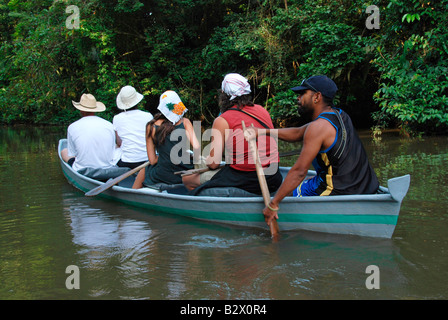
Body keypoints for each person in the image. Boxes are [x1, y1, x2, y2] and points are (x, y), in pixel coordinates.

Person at [245, 75, 380, 227]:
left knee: (285, 191)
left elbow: (299, 172)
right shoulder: (340, 115)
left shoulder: (317, 128)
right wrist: (263, 132)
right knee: (295, 187)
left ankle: (279, 217)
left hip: (338, 191)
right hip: (365, 186)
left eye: (303, 94)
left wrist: (272, 204)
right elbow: (298, 133)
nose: (298, 98)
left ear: (317, 97)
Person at [184, 73, 283, 196]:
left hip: (249, 179)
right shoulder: (262, 110)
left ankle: (205, 206)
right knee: (204, 163)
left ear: (224, 96)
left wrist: (210, 160)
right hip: (274, 176)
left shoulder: (222, 120)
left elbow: (214, 163)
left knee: (187, 179)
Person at [132, 90, 200, 188]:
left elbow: (152, 161)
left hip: (163, 174)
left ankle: (133, 193)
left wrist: (164, 155)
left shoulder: (151, 126)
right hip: (184, 173)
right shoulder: (185, 122)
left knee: (145, 169)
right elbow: (197, 148)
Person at [61, 93, 117, 173]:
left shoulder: (72, 127)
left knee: (64, 151)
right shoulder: (109, 125)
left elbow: (72, 153)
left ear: (81, 110)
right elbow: (112, 150)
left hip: (82, 170)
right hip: (107, 169)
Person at [113, 85, 153, 169]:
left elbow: (119, 143)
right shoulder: (148, 116)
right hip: (147, 160)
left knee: (115, 150)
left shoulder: (117, 118)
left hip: (127, 161)